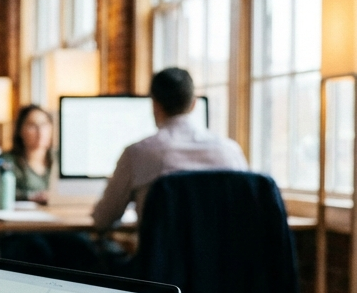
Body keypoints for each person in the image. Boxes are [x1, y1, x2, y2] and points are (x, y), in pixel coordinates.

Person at [91, 67, 248, 230]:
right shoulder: (230, 151)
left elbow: (102, 220)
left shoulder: (137, 154)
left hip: (162, 247)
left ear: (154, 104)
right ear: (194, 104)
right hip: (221, 247)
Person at [0, 105, 102, 271]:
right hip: (23, 229)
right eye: (32, 125)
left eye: (44, 125)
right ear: (20, 131)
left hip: (60, 225)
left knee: (81, 246)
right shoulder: (7, 161)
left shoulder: (60, 159)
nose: (40, 131)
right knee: (37, 250)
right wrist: (30, 197)